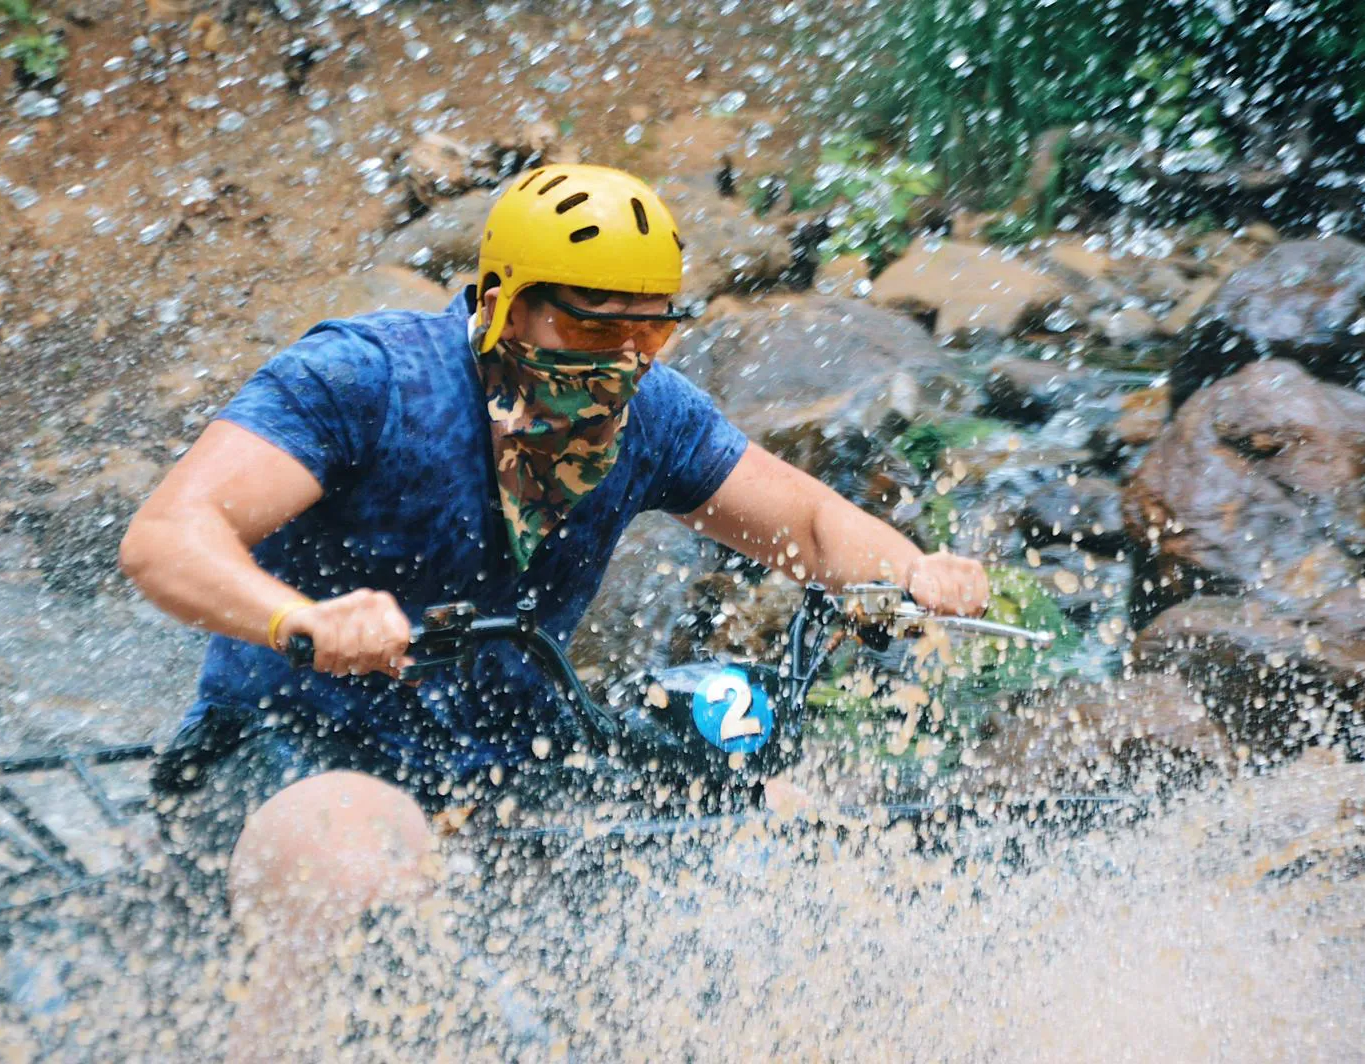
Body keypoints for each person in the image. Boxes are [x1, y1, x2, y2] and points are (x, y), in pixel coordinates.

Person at [118, 163, 988, 1054]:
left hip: (506, 758)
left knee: (778, 817)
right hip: (285, 754)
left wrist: (915, 572)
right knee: (348, 848)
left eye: (648, 330)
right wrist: (299, 620)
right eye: (586, 322)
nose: (620, 358)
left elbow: (810, 522)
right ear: (501, 301)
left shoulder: (653, 417)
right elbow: (167, 538)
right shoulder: (365, 382)